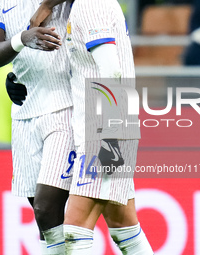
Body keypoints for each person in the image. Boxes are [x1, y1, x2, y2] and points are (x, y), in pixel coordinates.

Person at [31, 0, 154, 254]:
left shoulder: (90, 5)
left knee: (75, 231)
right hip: (103, 126)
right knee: (124, 227)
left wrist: (111, 139)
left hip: (104, 130)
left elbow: (111, 72)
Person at [0, 1, 74, 254]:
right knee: (46, 222)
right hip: (25, 111)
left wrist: (44, 6)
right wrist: (22, 39)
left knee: (46, 209)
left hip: (65, 107)